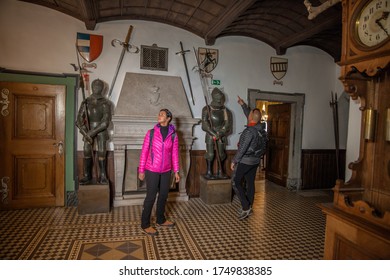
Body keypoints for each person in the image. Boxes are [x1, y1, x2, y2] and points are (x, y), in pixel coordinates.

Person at [138, 109, 180, 236]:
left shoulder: (173, 135)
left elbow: (174, 154)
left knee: (163, 196)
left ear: (168, 118)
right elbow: (144, 152)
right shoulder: (151, 133)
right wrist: (141, 170)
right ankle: (145, 224)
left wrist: (176, 171)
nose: (159, 116)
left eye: (162, 114)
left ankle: (160, 220)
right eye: (159, 114)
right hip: (151, 170)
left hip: (166, 170)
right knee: (150, 197)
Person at [231, 108, 267, 220]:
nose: (248, 115)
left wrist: (234, 160)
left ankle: (246, 207)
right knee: (250, 183)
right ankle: (249, 207)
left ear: (250, 118)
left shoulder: (249, 131)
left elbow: (242, 149)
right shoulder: (262, 131)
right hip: (256, 161)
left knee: (235, 182)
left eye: (249, 114)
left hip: (246, 160)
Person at [76, 79, 112, 185]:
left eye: (99, 86)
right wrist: (84, 131)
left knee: (102, 151)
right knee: (87, 151)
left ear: (102, 88)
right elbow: (78, 119)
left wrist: (92, 133)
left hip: (101, 130)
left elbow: (105, 122)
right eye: (95, 86)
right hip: (88, 129)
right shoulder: (86, 102)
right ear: (92, 87)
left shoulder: (106, 103)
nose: (97, 88)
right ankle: (87, 175)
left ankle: (103, 175)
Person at [201, 88, 232, 179]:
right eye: (217, 97)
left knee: (221, 154)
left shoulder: (226, 111)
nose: (219, 99)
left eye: (220, 97)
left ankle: (220, 171)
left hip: (221, 135)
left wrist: (220, 133)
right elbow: (204, 124)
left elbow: (228, 125)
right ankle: (209, 172)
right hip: (210, 134)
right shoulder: (207, 109)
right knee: (210, 154)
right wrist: (213, 133)